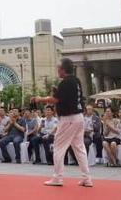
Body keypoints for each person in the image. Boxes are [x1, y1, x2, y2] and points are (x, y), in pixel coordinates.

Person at [32, 57, 92, 188]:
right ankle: (86, 178)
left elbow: (55, 99)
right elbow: (64, 97)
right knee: (79, 148)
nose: (57, 70)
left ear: (63, 70)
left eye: (58, 68)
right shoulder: (76, 81)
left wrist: (39, 98)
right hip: (78, 117)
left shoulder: (65, 82)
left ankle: (57, 178)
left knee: (59, 147)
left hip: (68, 118)